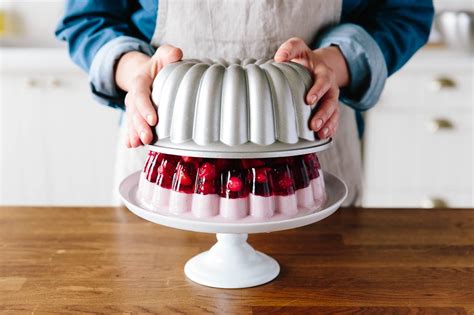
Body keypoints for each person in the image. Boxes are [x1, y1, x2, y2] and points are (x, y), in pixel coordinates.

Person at [56, 0, 434, 206]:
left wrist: (334, 63)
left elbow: (405, 10)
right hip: (167, 168)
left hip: (311, 166)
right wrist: (136, 70)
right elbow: (88, 19)